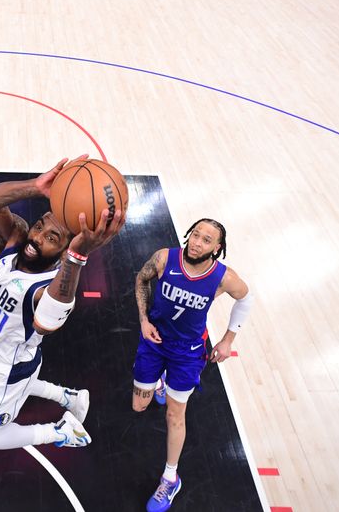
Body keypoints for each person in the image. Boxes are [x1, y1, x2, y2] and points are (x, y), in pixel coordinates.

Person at [0, 158, 125, 451]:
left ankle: (61, 432)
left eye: (51, 238)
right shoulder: (15, 239)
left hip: (8, 369)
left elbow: (47, 322)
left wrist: (78, 257)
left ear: (65, 251)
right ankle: (68, 397)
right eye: (39, 227)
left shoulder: (47, 288)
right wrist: (35, 187)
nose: (36, 238)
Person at [132, 218, 253, 512]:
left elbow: (246, 299)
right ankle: (160, 380)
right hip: (154, 341)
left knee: (175, 415)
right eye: (195, 235)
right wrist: (144, 320)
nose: (197, 242)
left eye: (206, 240)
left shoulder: (223, 278)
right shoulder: (164, 258)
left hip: (188, 353)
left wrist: (227, 341)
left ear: (217, 248)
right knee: (139, 406)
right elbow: (142, 279)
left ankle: (170, 479)